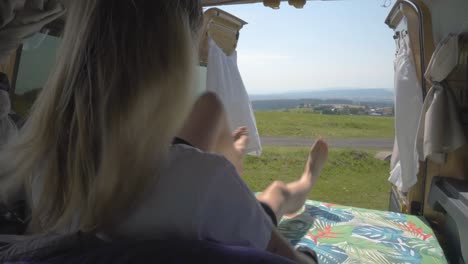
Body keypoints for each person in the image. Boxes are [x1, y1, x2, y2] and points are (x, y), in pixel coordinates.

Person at [0, 1, 328, 263]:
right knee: (276, 195)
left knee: (211, 106)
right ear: (174, 59)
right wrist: (309, 256)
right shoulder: (203, 181)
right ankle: (304, 181)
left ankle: (235, 158)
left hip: (176, 179)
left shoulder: (38, 164)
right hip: (210, 200)